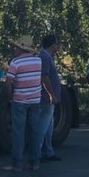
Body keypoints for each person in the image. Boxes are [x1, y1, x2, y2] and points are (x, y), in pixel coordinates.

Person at [5, 40, 44, 173]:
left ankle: (16, 164)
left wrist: (10, 97)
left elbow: (8, 83)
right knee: (34, 132)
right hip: (35, 101)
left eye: (15, 47)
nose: (14, 50)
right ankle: (35, 163)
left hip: (20, 101)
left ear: (21, 49)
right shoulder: (38, 61)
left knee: (18, 133)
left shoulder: (15, 63)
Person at [39, 34, 62, 162]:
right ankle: (37, 153)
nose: (57, 46)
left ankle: (48, 151)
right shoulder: (44, 58)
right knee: (42, 127)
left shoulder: (47, 57)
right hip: (46, 98)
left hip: (48, 99)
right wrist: (51, 94)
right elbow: (44, 77)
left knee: (48, 127)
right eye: (56, 44)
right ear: (52, 44)